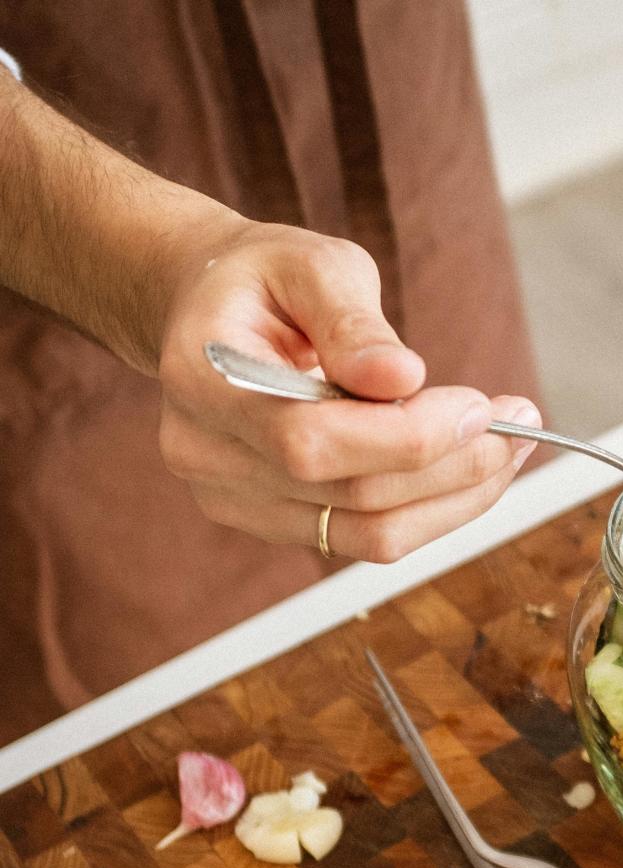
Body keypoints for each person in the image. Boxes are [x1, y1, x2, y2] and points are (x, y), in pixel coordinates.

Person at [0, 4, 541, 745]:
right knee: (190, 738)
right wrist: (151, 266)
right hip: (65, 256)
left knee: (495, 631)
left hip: (410, 131)